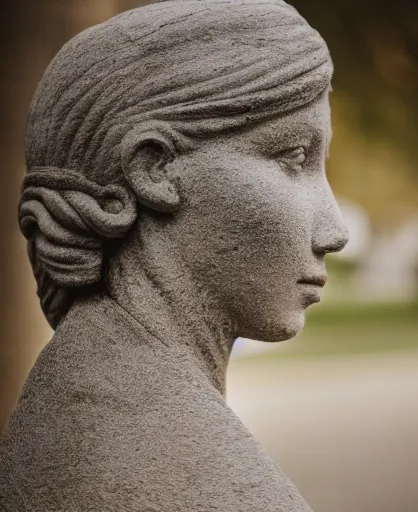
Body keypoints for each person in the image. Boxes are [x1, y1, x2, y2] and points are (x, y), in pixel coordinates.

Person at [0, 0, 348, 510]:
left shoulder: (84, 395)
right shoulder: (174, 469)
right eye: (294, 157)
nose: (335, 230)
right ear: (154, 170)